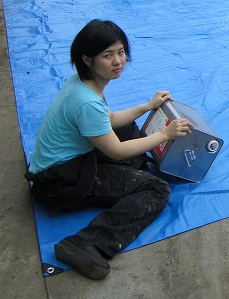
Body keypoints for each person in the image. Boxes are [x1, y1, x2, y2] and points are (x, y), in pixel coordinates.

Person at [24, 19, 194, 279]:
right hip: (61, 181)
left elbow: (109, 120)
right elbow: (115, 151)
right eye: (107, 55)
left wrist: (147, 106)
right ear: (87, 59)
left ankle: (135, 171)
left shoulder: (82, 83)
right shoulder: (86, 102)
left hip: (66, 162)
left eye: (121, 52)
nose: (118, 61)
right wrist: (164, 134)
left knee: (126, 129)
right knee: (156, 189)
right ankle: (87, 243)